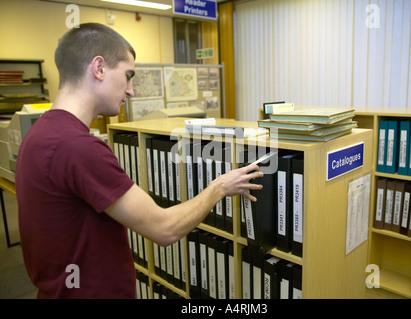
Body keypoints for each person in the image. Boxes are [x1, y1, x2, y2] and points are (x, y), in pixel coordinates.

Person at [15, 23, 263, 299]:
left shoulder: (40, 133)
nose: (131, 90)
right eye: (128, 75)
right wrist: (220, 187)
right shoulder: (78, 147)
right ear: (99, 68)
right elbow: (164, 228)